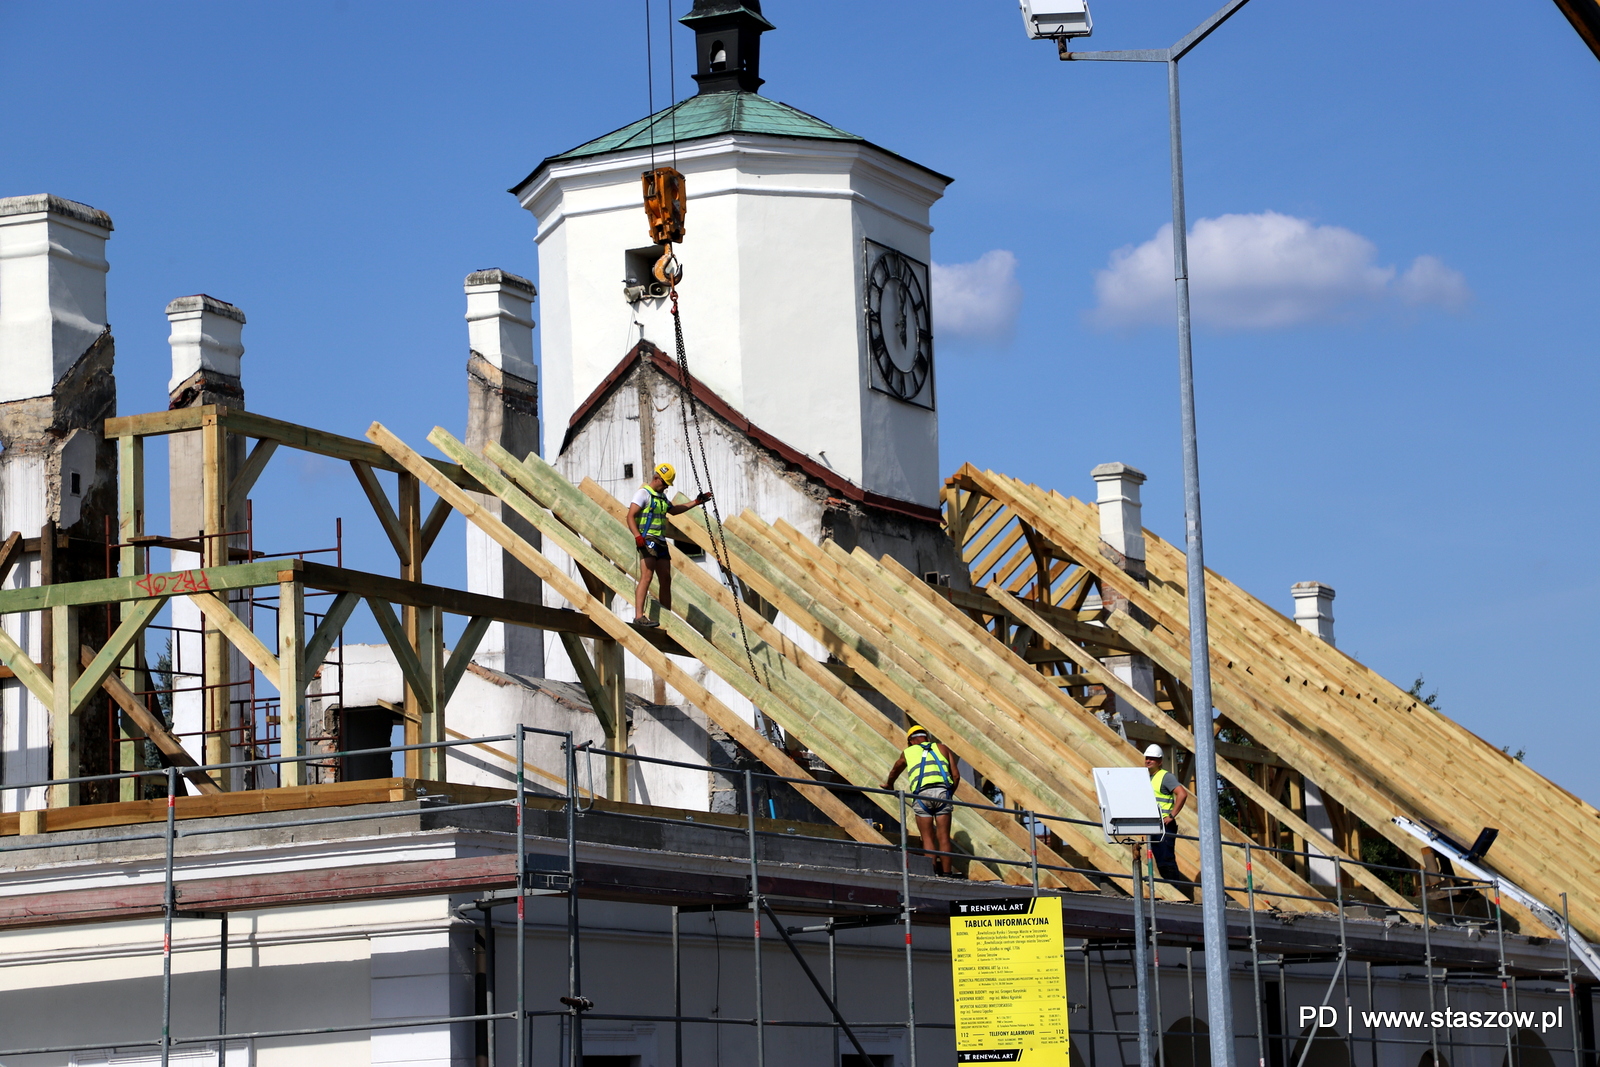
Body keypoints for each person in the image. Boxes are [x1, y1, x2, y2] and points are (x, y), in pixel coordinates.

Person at [627, 462, 711, 627]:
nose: (666, 487)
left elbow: (673, 510)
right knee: (647, 576)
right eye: (664, 483)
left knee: (665, 578)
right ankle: (639, 616)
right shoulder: (643, 494)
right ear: (657, 478)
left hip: (661, 541)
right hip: (648, 539)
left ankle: (666, 617)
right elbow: (630, 516)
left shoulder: (662, 497)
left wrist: (696, 502)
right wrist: (637, 536)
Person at [882, 725, 960, 877]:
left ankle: (931, 873)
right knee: (944, 837)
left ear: (910, 741)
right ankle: (947, 874)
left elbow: (895, 769)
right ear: (927, 738)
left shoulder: (908, 752)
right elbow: (956, 776)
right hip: (942, 794)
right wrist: (948, 794)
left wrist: (889, 784)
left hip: (921, 795)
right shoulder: (942, 748)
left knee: (927, 838)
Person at [1144, 743, 1190, 888]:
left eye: (1152, 759)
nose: (1148, 761)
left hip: (1165, 826)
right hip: (1152, 826)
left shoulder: (1165, 777)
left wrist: (1171, 815)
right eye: (1147, 758)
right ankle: (1168, 891)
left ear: (1160, 761)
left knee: (1166, 861)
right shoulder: (1145, 777)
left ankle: (1175, 892)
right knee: (1157, 861)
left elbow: (1182, 794)